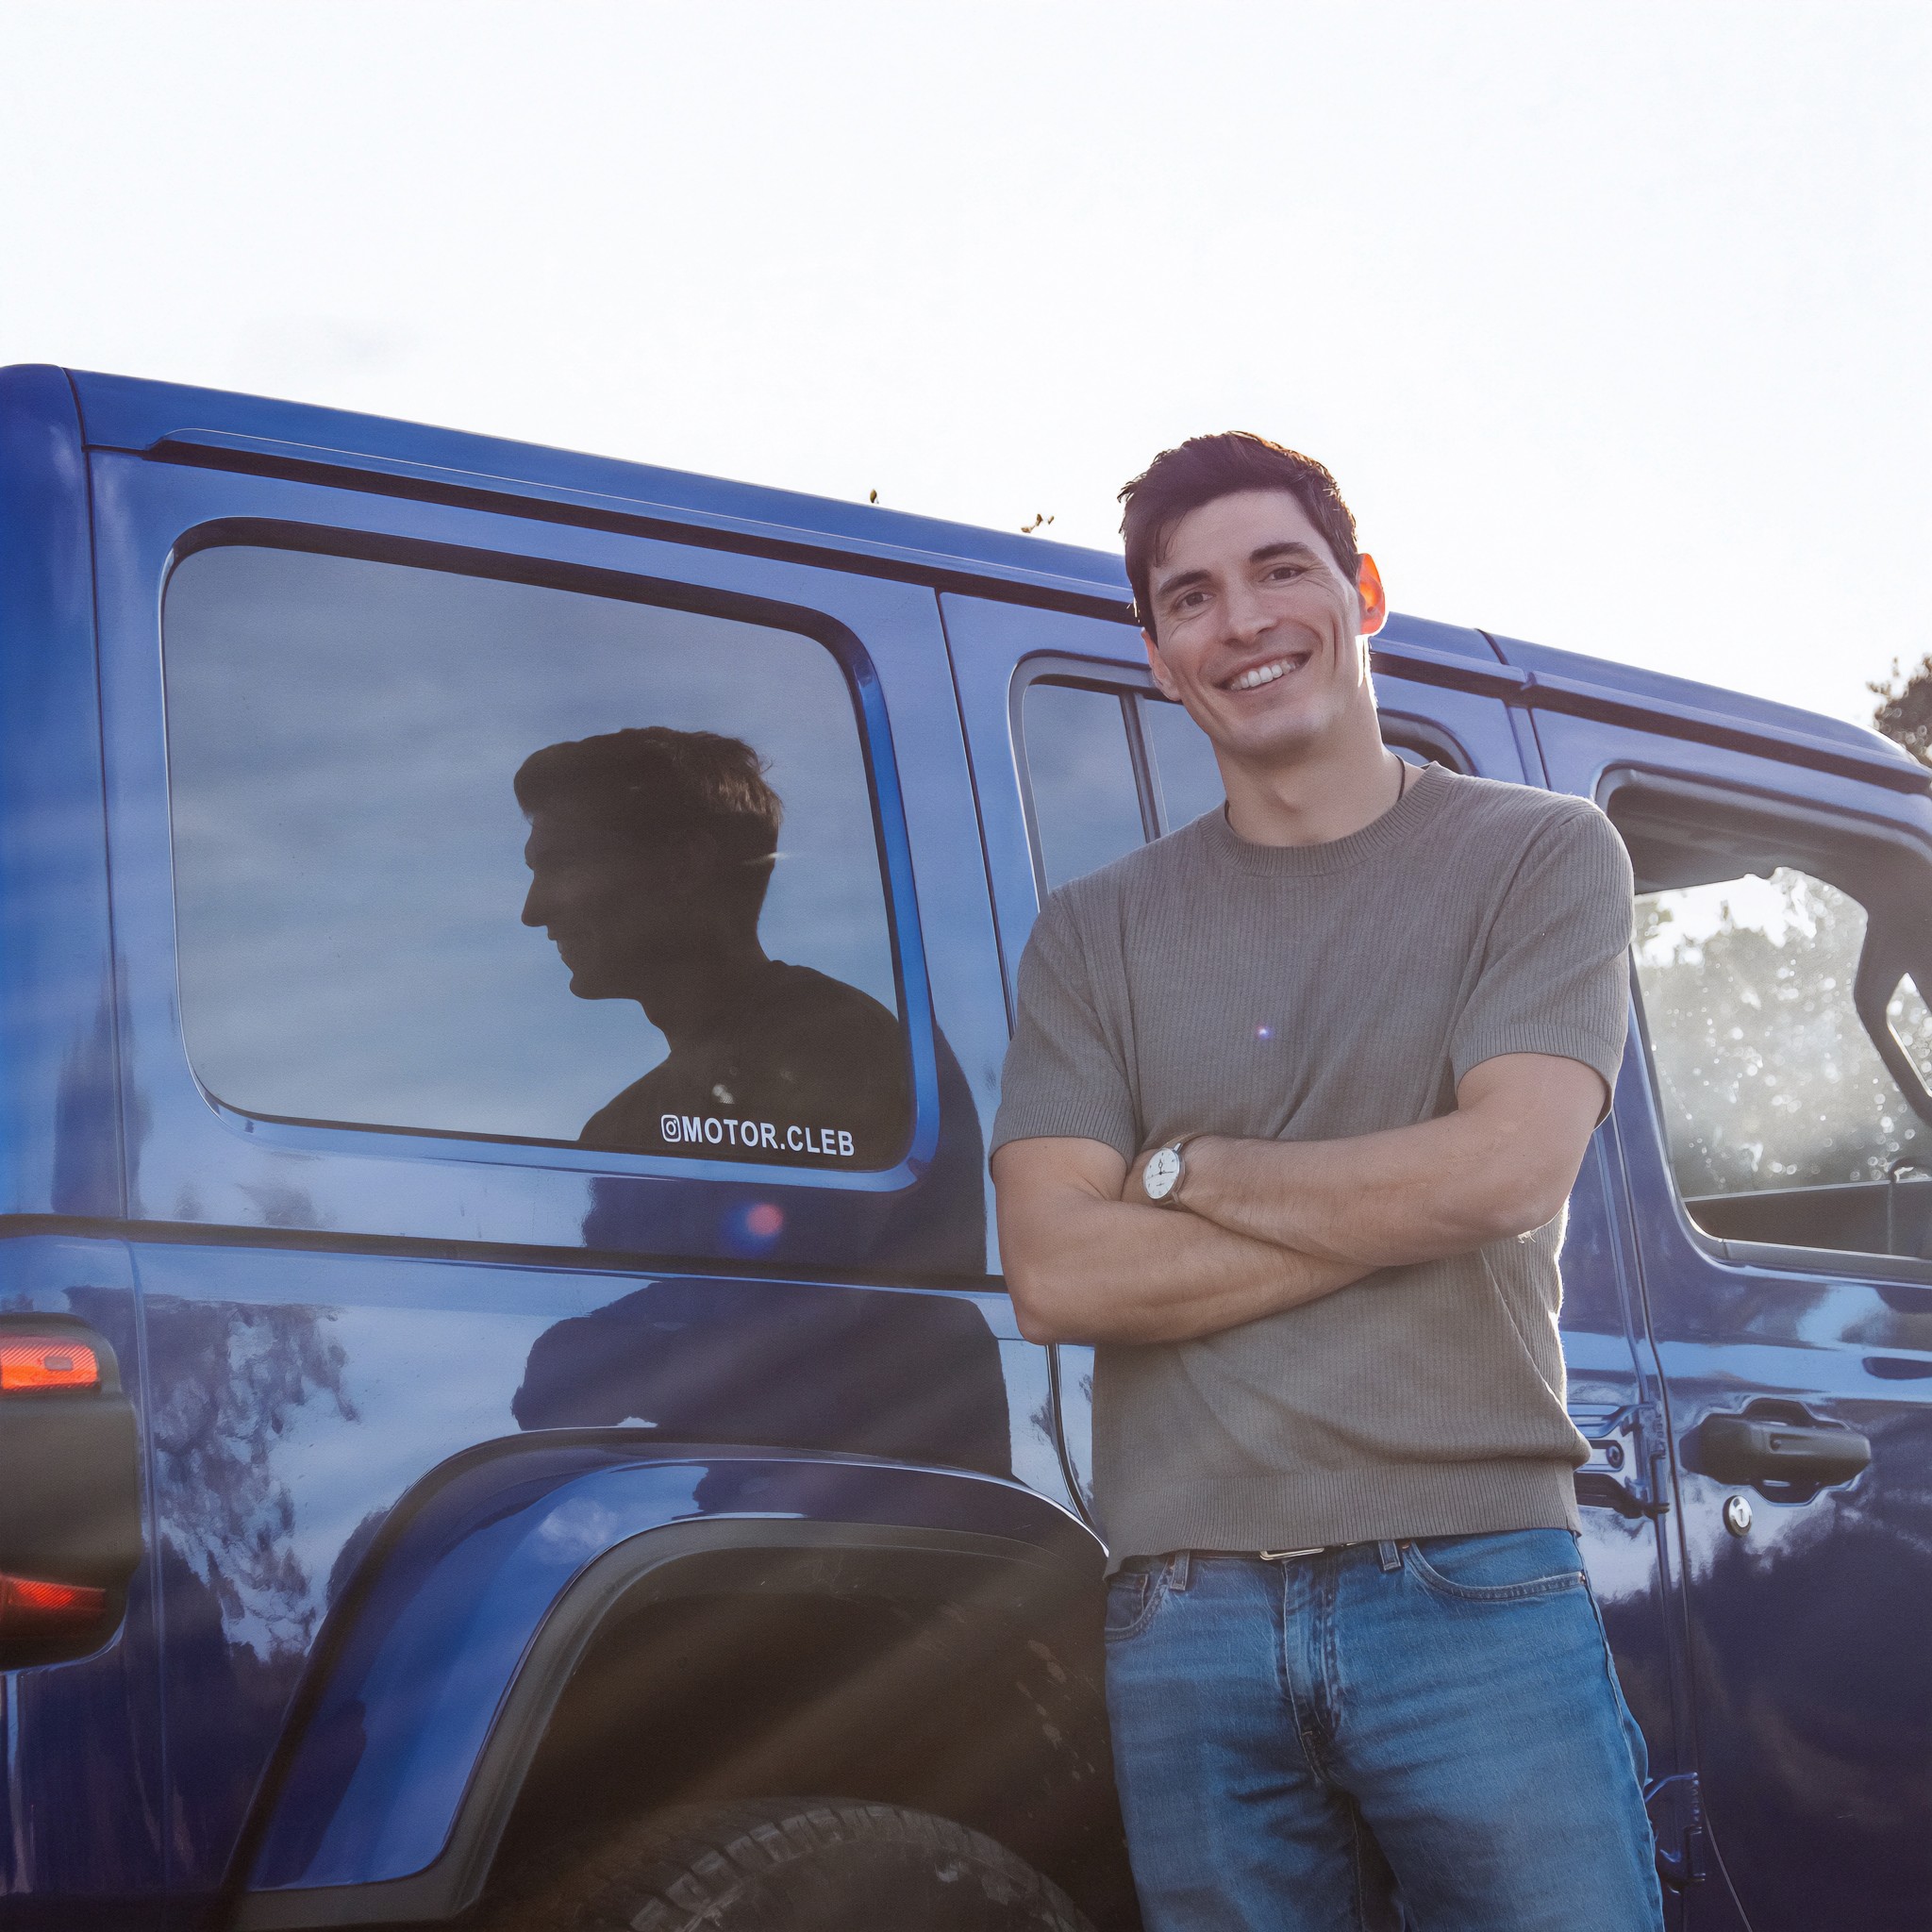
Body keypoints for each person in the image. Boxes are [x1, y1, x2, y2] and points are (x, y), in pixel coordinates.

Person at [990, 434, 1663, 1931]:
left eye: (1280, 570)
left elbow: (1510, 1169)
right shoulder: (1092, 933)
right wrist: (1408, 1197)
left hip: (1473, 1581)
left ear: (1362, 594)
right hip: (1185, 1607)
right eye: (1192, 597)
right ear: (1158, 655)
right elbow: (1059, 1273)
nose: (1244, 621)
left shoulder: (1540, 856)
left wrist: (1195, 1170)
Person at [516, 725, 909, 1168]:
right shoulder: (616, 1131)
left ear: (683, 865)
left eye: (563, 865)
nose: (532, 911)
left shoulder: (836, 1047)